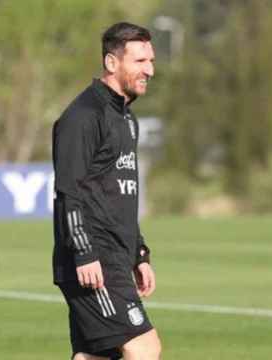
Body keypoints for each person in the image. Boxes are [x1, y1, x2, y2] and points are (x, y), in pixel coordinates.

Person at [52, 22, 162, 360]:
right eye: (140, 61)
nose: (150, 70)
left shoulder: (127, 119)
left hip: (116, 257)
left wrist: (138, 253)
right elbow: (69, 191)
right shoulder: (83, 116)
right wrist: (84, 253)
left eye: (151, 61)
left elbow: (120, 195)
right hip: (93, 260)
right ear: (112, 63)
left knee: (96, 356)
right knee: (144, 347)